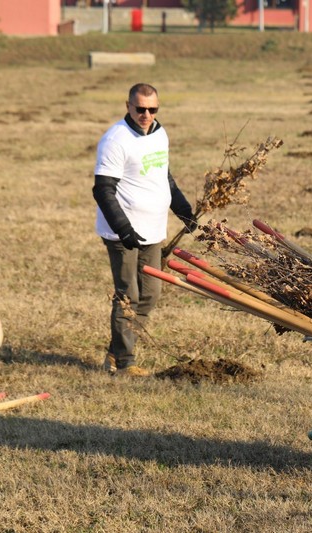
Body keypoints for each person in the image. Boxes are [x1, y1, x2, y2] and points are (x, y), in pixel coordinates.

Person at [92, 83, 195, 377]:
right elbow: (103, 190)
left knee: (150, 294)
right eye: (140, 109)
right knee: (128, 296)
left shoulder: (160, 134)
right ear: (128, 106)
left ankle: (115, 353)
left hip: (153, 231)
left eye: (152, 109)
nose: (146, 114)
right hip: (120, 234)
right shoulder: (116, 140)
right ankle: (125, 363)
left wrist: (184, 210)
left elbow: (165, 177)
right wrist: (123, 228)